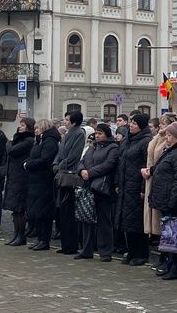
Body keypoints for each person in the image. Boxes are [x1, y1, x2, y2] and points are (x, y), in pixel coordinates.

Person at [147, 121, 177, 279]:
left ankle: (176, 269)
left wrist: (173, 200)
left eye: (169, 135)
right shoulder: (172, 150)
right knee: (169, 235)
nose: (166, 137)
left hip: (175, 201)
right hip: (166, 198)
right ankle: (170, 265)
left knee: (175, 235)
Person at [78, 122, 121, 262]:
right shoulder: (92, 147)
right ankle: (86, 249)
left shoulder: (113, 148)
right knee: (87, 219)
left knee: (104, 220)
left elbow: (108, 165)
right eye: (96, 133)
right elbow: (83, 160)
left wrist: (90, 173)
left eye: (100, 133)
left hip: (103, 189)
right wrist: (82, 171)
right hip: (89, 186)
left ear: (107, 134)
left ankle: (105, 251)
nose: (97, 136)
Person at [143, 113, 177, 271]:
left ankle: (171, 262)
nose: (161, 127)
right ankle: (164, 257)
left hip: (164, 185)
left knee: (169, 224)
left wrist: (151, 170)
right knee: (161, 222)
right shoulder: (158, 138)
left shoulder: (175, 145)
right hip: (154, 181)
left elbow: (166, 163)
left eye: (165, 124)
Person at [116, 113, 153, 266]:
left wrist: (143, 188)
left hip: (137, 186)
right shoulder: (127, 141)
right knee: (127, 222)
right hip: (125, 186)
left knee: (137, 222)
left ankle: (141, 253)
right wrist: (117, 183)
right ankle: (131, 251)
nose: (131, 125)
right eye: (131, 123)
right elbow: (121, 162)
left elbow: (147, 165)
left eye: (135, 124)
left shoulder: (146, 142)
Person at [24, 118, 61, 251]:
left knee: (43, 212)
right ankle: (40, 239)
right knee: (37, 211)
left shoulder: (49, 141)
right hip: (36, 180)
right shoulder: (40, 141)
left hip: (44, 181)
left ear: (43, 128)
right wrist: (28, 162)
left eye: (37, 128)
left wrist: (29, 164)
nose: (35, 131)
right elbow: (34, 156)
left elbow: (45, 160)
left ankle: (44, 240)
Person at [54, 109, 87, 255]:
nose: (65, 122)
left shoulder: (79, 134)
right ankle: (65, 244)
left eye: (67, 120)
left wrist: (60, 165)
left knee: (68, 212)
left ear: (74, 121)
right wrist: (55, 164)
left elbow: (74, 156)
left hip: (70, 176)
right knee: (63, 211)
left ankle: (71, 245)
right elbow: (60, 152)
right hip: (61, 173)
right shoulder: (67, 134)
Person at [3, 118, 35, 246]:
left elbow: (11, 149)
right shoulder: (19, 139)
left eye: (22, 125)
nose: (19, 127)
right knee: (15, 209)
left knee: (20, 208)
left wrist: (10, 142)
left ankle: (21, 236)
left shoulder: (28, 140)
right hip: (14, 176)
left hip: (21, 177)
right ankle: (16, 234)